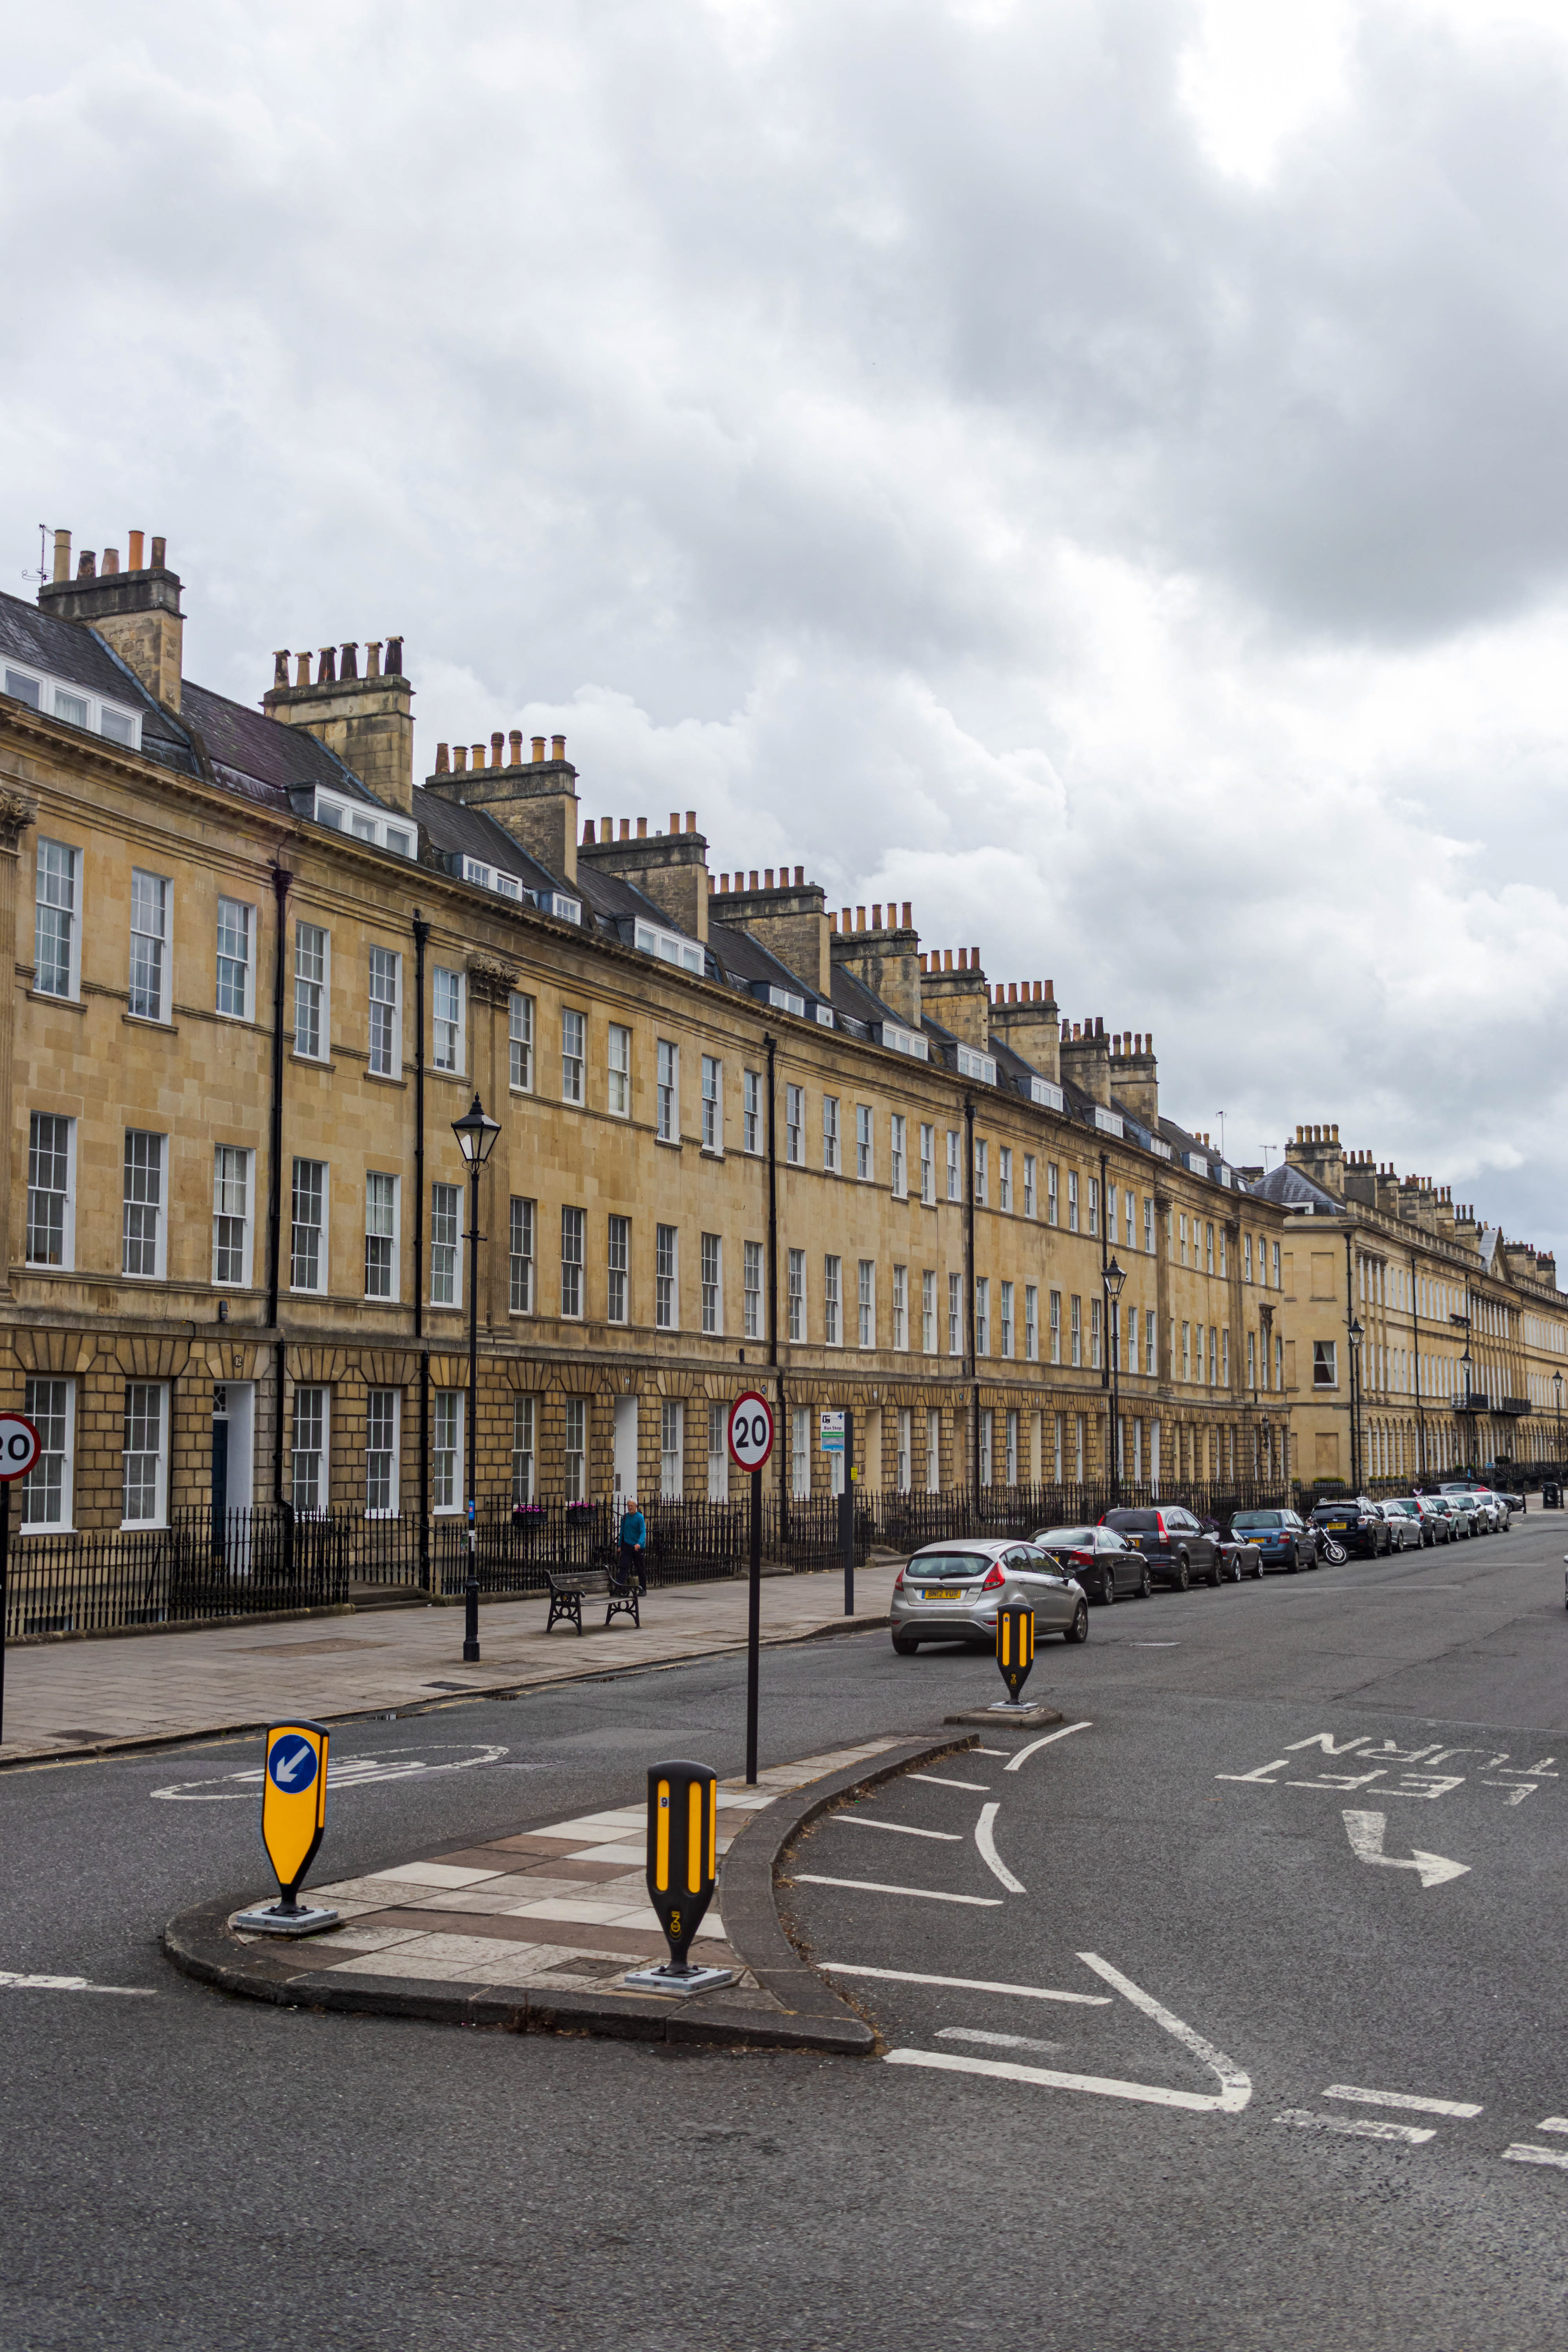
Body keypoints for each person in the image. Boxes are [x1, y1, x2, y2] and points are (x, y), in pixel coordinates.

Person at [619, 1497, 647, 1592]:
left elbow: (643, 1532)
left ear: (636, 1506)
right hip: (627, 1546)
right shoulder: (625, 1517)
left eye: (632, 1506)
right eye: (629, 1506)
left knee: (640, 1568)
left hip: (638, 1547)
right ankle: (619, 1588)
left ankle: (643, 1589)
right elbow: (622, 1532)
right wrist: (619, 1546)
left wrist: (639, 1544)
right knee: (623, 1567)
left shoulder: (640, 1517)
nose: (630, 1508)